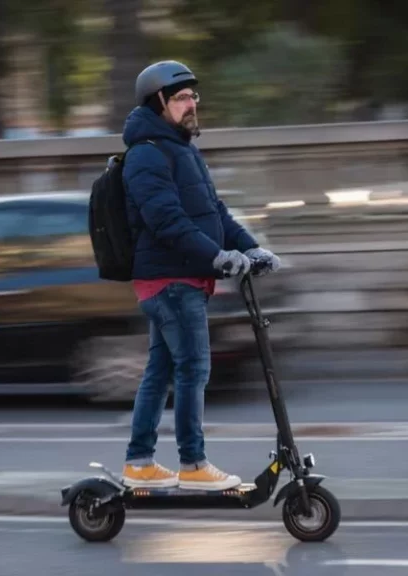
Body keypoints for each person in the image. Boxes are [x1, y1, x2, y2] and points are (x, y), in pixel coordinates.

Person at [120, 60, 281, 491]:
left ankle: (139, 462)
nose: (192, 104)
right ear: (158, 103)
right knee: (193, 367)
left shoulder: (183, 149)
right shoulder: (146, 154)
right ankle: (193, 464)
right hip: (170, 281)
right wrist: (218, 257)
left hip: (183, 279)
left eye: (194, 96)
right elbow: (166, 221)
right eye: (181, 98)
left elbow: (215, 212)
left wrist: (251, 247)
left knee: (162, 369)